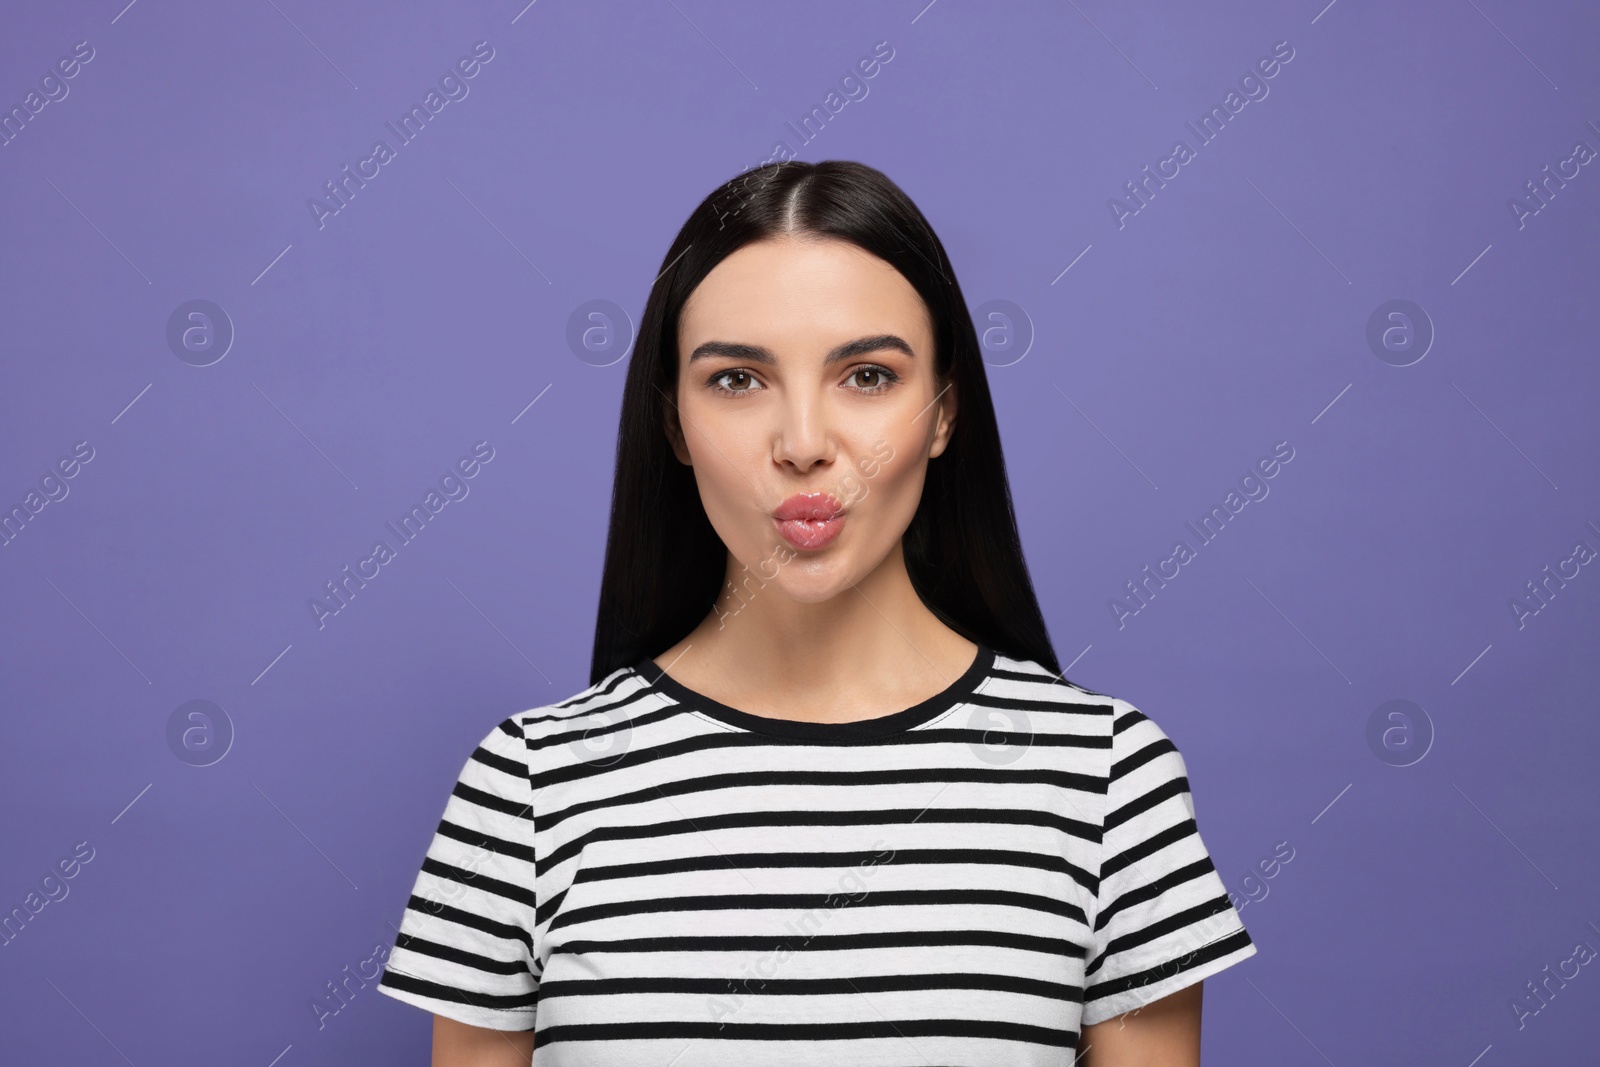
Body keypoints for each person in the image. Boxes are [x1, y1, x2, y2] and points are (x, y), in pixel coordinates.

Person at [376, 159, 1257, 1065]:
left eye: (868, 376)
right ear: (673, 422)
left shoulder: (1107, 781)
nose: (803, 445)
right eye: (736, 380)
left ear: (944, 411)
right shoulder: (527, 789)